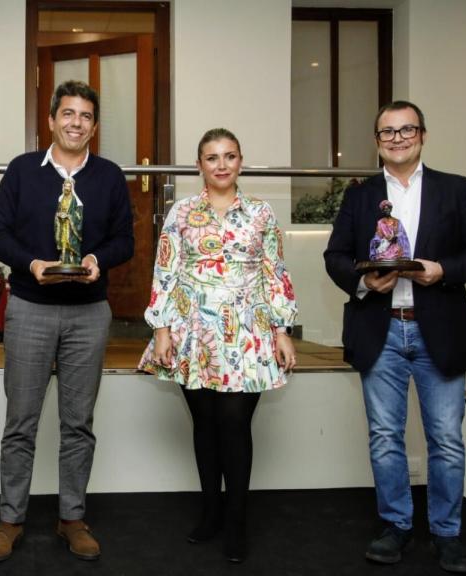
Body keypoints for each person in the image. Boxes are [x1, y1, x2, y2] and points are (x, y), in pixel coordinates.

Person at [324, 101, 466, 574]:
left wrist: (444, 270)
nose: (398, 138)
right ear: (377, 140)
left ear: (422, 134)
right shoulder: (359, 196)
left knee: (446, 438)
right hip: (380, 327)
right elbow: (336, 255)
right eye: (388, 132)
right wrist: (365, 283)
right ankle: (395, 526)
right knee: (385, 437)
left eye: (407, 130)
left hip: (437, 328)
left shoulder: (456, 189)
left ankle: (447, 533)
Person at [0, 80, 134, 563]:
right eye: (67, 113)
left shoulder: (109, 176)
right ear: (51, 120)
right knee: (20, 423)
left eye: (85, 116)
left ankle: (72, 518)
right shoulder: (23, 171)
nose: (76, 123)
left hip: (89, 312)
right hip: (30, 308)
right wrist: (31, 265)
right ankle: (10, 520)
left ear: (94, 125)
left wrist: (96, 259)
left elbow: (125, 240)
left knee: (78, 424)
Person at [139, 128, 297, 563]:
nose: (221, 164)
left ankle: (237, 521)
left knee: (234, 424)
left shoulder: (261, 213)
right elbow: (165, 271)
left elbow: (274, 272)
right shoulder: (181, 213)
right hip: (193, 335)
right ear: (199, 166)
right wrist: (161, 329)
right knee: (204, 425)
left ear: (240, 162)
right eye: (212, 157)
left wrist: (282, 329)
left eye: (229, 156)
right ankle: (210, 513)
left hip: (248, 335)